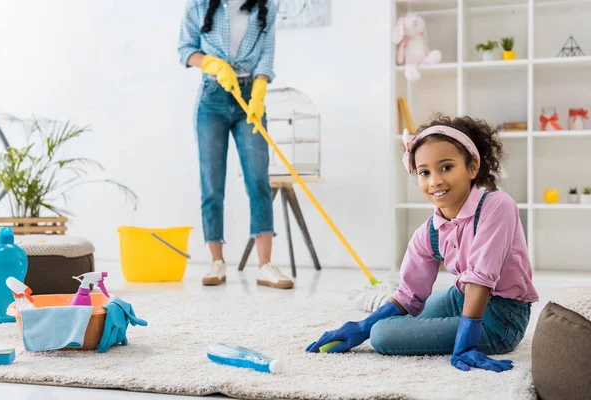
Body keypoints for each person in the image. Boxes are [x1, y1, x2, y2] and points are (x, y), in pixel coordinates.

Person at [306, 115, 539, 372]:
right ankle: (374, 313)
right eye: (424, 172)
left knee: (383, 335)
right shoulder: (429, 232)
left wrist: (466, 343)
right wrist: (363, 326)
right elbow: (409, 296)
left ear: (472, 167)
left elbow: (480, 279)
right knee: (403, 317)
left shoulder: (497, 205)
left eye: (447, 167)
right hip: (461, 298)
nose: (435, 181)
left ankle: (468, 335)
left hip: (501, 319)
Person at [178, 0, 293, 289]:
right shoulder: (200, 5)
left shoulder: (266, 6)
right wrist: (211, 63)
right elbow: (185, 48)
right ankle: (217, 262)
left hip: (249, 97)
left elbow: (266, 55)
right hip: (212, 97)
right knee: (212, 182)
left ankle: (265, 265)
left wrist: (259, 90)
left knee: (258, 180)